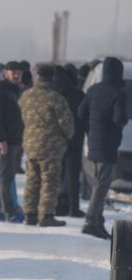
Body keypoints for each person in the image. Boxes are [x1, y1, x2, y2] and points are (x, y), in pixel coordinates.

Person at [19, 64, 74, 227]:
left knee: (32, 179)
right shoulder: (55, 98)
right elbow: (67, 123)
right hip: (51, 146)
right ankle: (46, 215)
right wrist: (67, 137)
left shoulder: (26, 96)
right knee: (50, 180)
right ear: (52, 77)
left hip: (30, 144)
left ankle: (29, 213)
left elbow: (22, 116)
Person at [79, 56, 128, 239]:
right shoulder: (118, 93)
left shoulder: (93, 90)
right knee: (102, 186)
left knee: (97, 184)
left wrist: (90, 129)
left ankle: (97, 221)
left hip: (93, 142)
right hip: (108, 144)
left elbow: (81, 112)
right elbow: (119, 119)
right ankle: (91, 222)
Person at [0, 61, 25, 223]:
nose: (16, 75)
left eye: (18, 72)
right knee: (5, 176)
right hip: (5, 140)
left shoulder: (17, 89)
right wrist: (0, 139)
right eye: (13, 72)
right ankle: (10, 211)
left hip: (16, 138)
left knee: (6, 175)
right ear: (6, 73)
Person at [54, 65, 86, 218]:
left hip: (56, 140)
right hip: (75, 140)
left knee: (57, 174)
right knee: (73, 176)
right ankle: (74, 208)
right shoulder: (79, 94)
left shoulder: (54, 94)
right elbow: (84, 117)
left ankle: (58, 205)